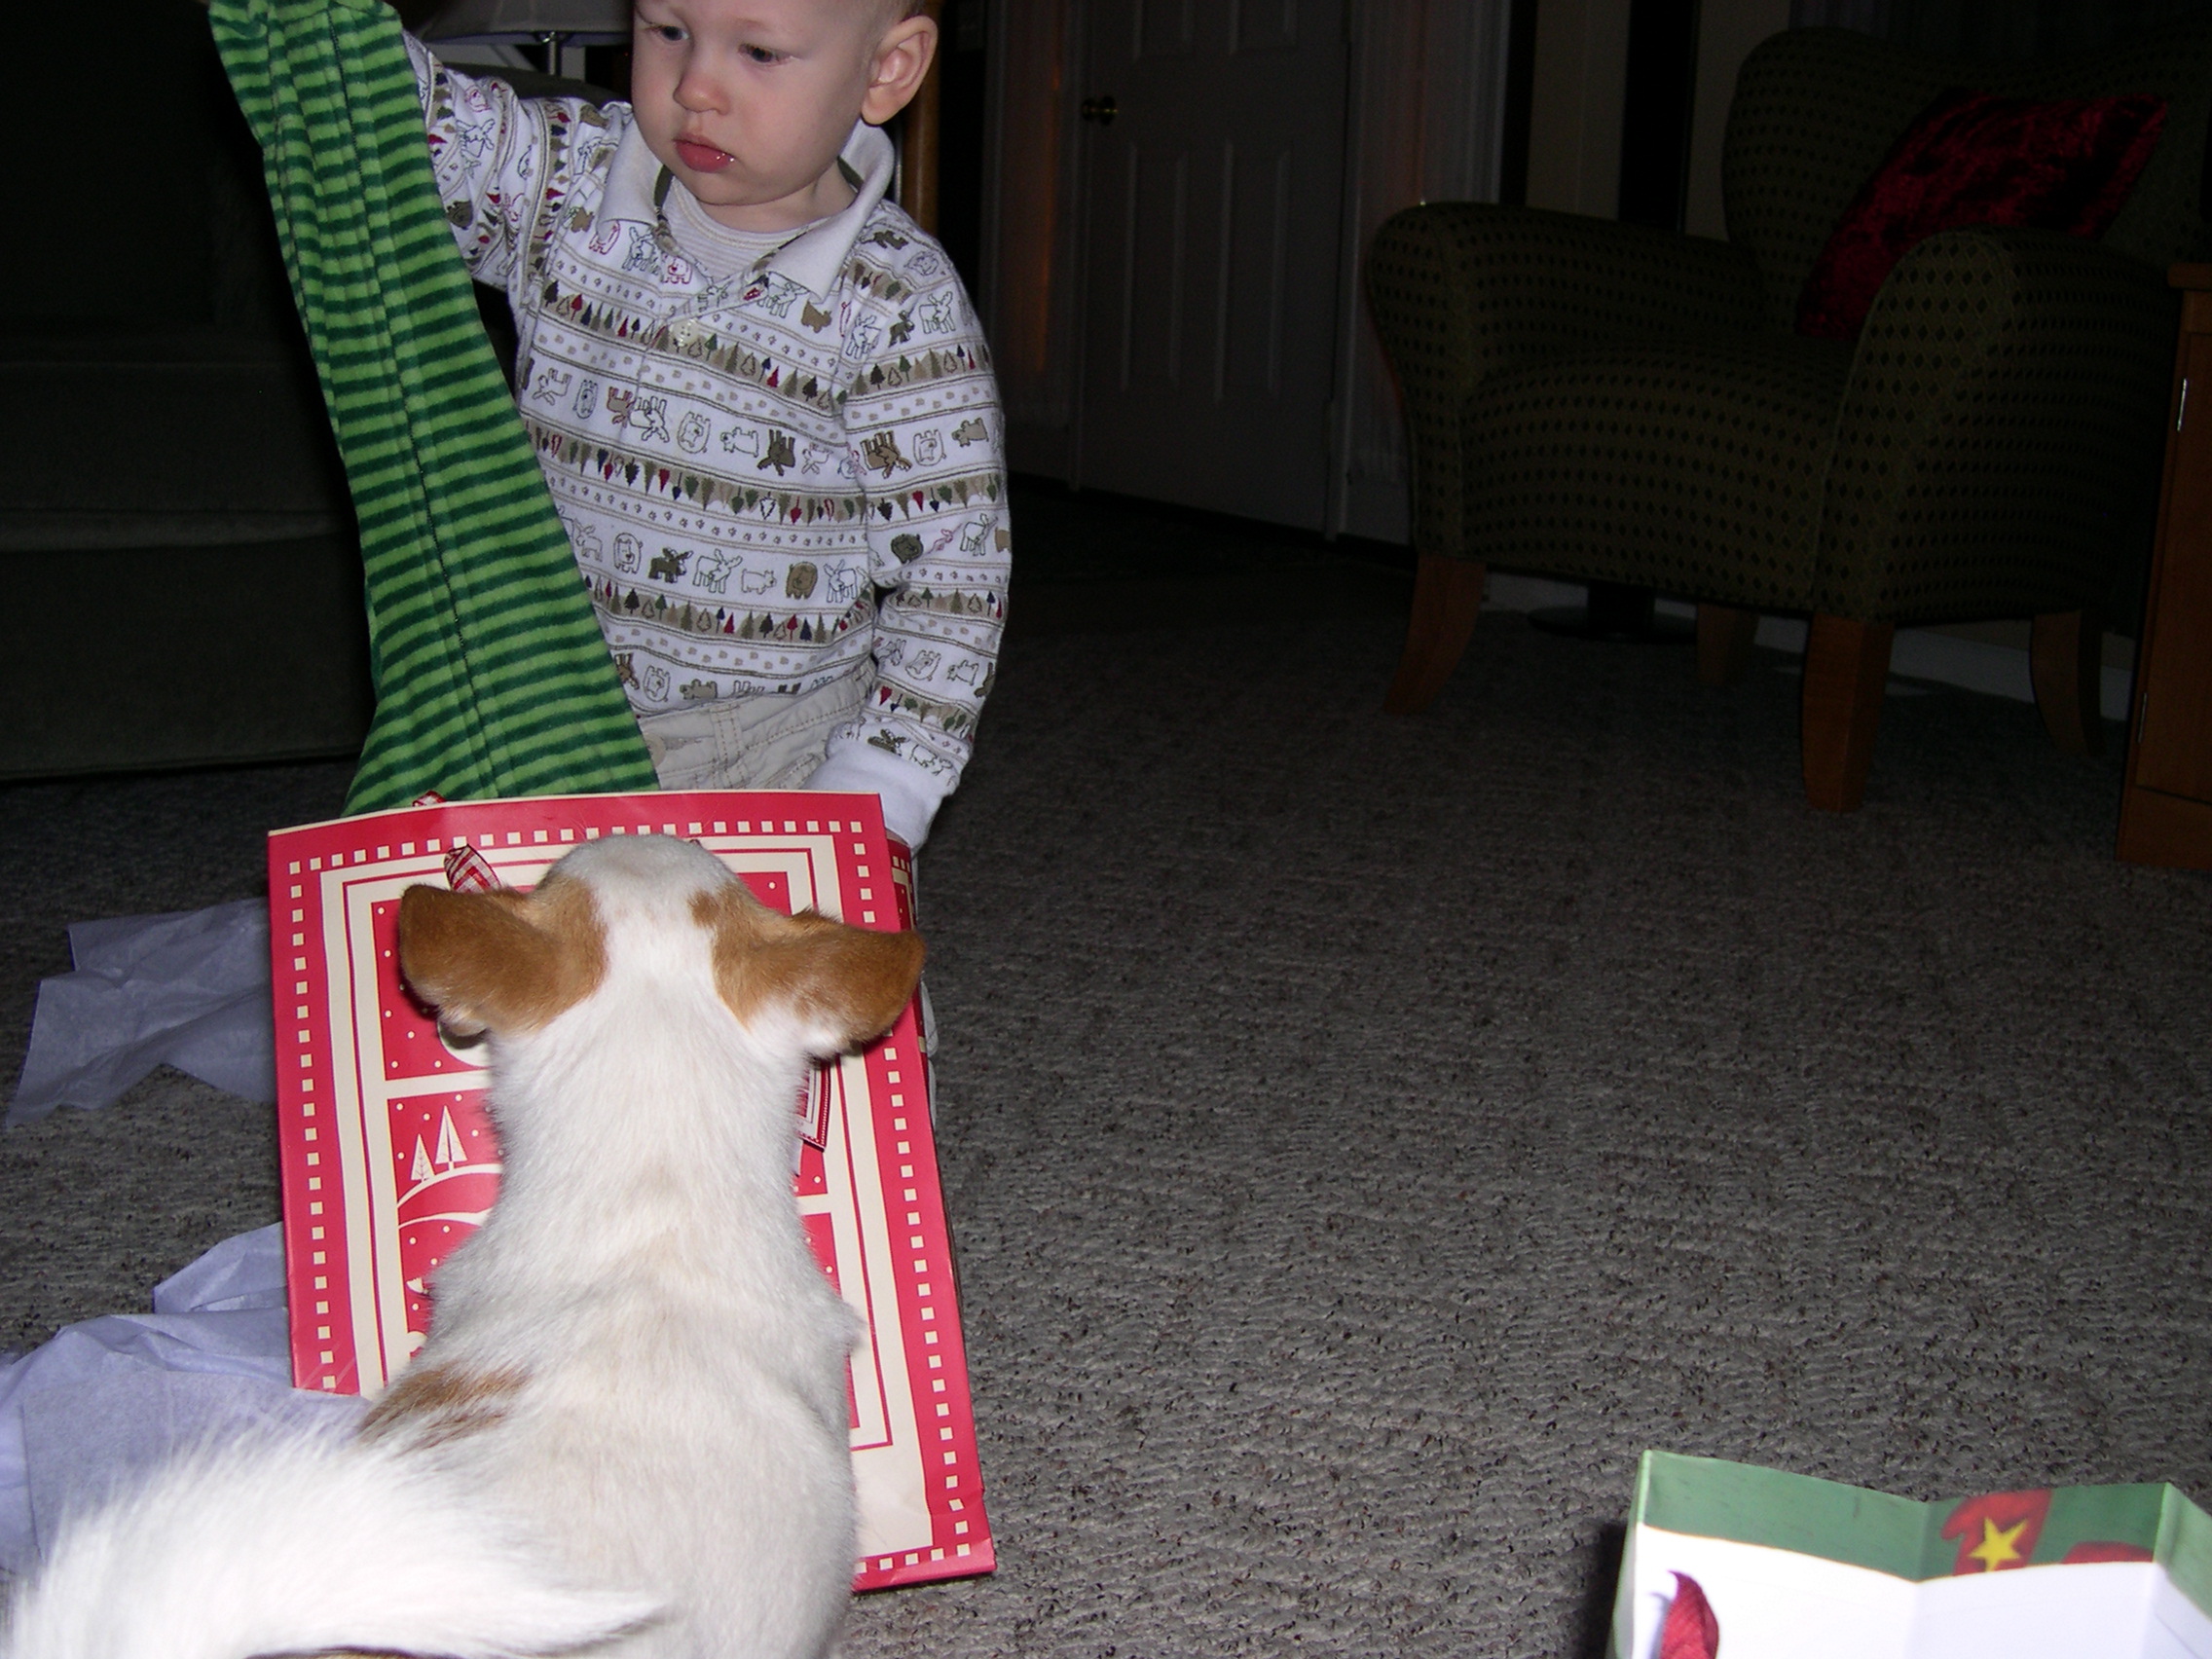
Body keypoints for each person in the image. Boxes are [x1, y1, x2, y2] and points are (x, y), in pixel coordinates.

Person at [408, 0, 1007, 851]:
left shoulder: (898, 303)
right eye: (667, 31)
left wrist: (886, 780)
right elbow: (408, 119)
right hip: (542, 715)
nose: (696, 88)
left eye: (758, 51)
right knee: (540, 977)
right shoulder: (566, 176)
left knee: (795, 981)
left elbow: (953, 578)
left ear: (886, 71)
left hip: (779, 745)